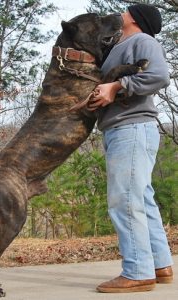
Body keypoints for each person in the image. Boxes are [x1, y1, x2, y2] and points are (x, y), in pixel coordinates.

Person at [90, 4, 174, 293]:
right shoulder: (119, 45)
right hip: (126, 128)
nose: (121, 13)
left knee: (124, 200)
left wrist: (116, 87)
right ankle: (160, 265)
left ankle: (137, 272)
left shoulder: (143, 41)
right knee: (141, 200)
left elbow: (160, 76)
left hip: (132, 128)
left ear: (134, 19)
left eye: (126, 10)